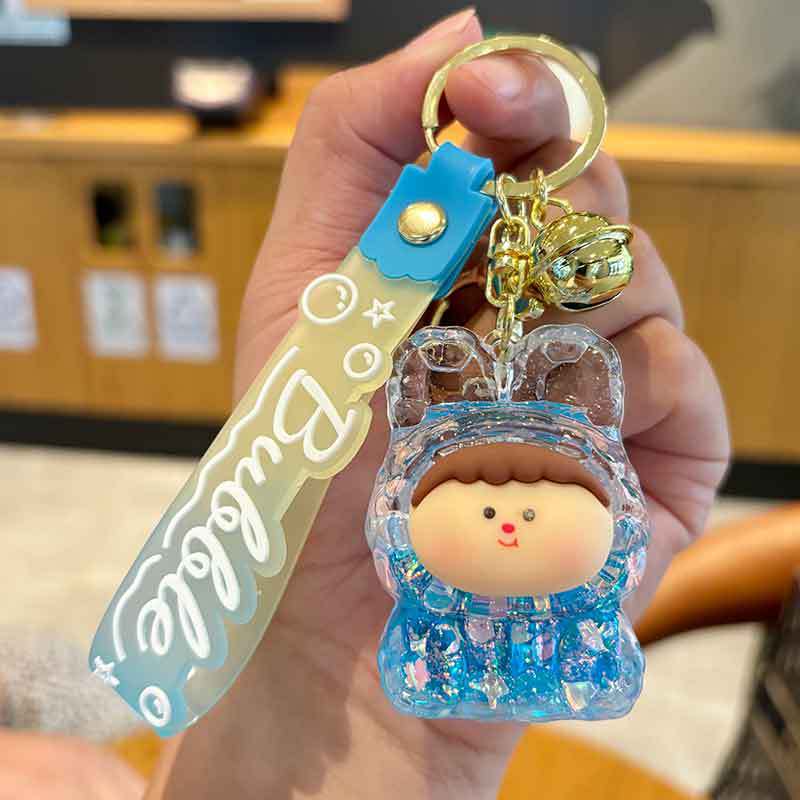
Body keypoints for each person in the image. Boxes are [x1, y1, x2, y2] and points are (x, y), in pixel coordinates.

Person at [148, 9, 730, 798]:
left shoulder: (590, 596)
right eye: (485, 503)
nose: (510, 523)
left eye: (538, 499)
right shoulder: (412, 595)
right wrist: (304, 663)